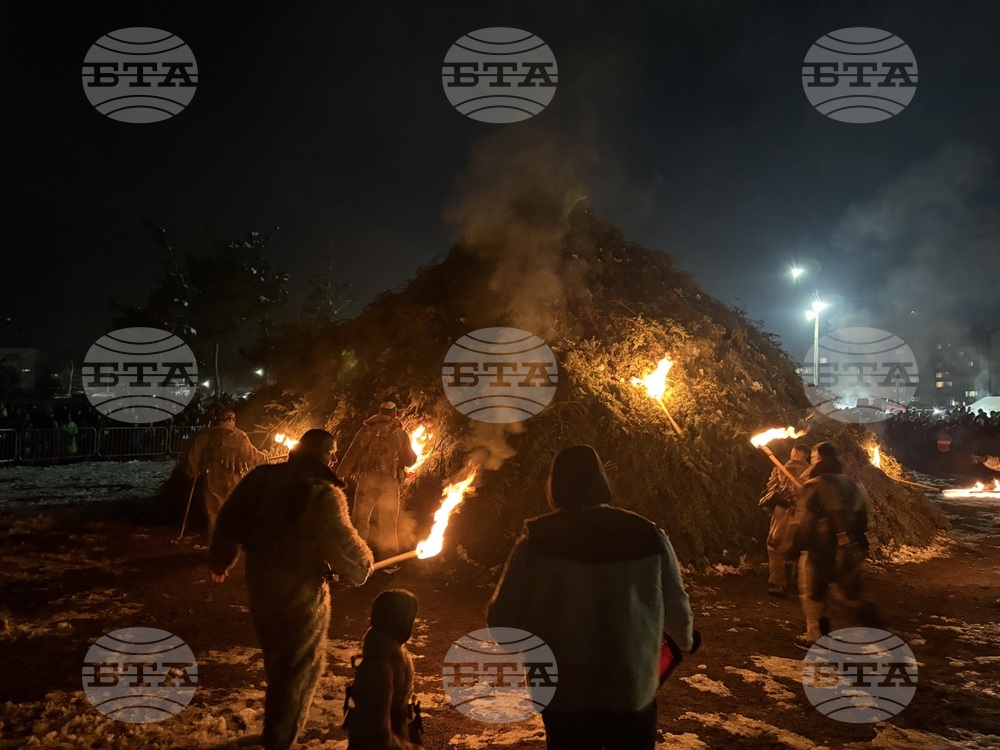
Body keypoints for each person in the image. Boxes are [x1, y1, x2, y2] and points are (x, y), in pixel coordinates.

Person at [486, 445, 695, 750]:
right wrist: (687, 639)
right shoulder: (647, 535)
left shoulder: (536, 540)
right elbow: (677, 607)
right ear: (601, 480)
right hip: (630, 686)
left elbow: (501, 623)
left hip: (563, 688)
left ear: (554, 484)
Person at [209, 429, 374, 750]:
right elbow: (344, 543)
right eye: (330, 453)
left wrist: (221, 558)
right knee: (296, 669)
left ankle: (280, 732)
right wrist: (362, 566)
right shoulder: (320, 493)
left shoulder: (261, 477)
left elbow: (229, 517)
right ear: (316, 455)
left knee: (279, 660)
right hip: (300, 595)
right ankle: (280, 740)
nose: (335, 459)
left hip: (260, 583)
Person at [792, 441, 876, 650]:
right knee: (844, 591)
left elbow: (814, 517)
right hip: (851, 546)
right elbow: (864, 514)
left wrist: (794, 546)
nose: (811, 461)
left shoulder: (817, 484)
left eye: (813, 457)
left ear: (819, 458)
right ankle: (872, 623)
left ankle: (816, 636)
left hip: (821, 548)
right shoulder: (851, 482)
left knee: (813, 593)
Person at [344, 589, 423, 749]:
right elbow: (377, 734)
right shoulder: (380, 668)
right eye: (410, 620)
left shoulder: (393, 654)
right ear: (399, 622)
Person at [337, 402, 417, 557]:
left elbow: (351, 454)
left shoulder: (365, 430)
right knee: (388, 522)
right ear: (394, 414)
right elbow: (410, 461)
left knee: (360, 520)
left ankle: (358, 556)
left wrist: (341, 474)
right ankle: (389, 560)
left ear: (379, 413)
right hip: (389, 485)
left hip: (366, 483)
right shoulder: (398, 433)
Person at [186, 409, 268, 536]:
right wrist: (265, 458)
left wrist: (194, 469)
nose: (234, 422)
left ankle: (214, 541)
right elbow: (250, 456)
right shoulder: (238, 435)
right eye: (233, 419)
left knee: (213, 511)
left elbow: (195, 454)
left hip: (211, 476)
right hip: (232, 477)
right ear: (230, 419)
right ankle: (230, 541)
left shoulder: (206, 434)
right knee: (232, 507)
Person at [758, 442, 810, 598]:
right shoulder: (813, 472)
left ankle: (778, 583)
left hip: (786, 513)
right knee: (801, 547)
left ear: (793, 453)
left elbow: (771, 488)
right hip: (806, 515)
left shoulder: (781, 469)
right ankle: (800, 582)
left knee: (775, 545)